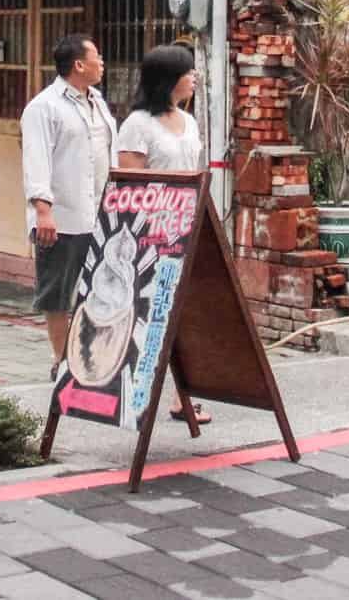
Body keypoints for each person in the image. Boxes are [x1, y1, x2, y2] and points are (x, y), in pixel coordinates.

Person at [115, 41, 212, 425]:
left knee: (186, 314)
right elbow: (130, 185)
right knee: (151, 313)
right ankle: (133, 391)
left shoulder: (189, 120)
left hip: (187, 228)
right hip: (151, 235)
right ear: (169, 80)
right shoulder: (137, 125)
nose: (193, 78)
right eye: (188, 72)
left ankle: (181, 397)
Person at [20, 33, 118, 375]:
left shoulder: (98, 102)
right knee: (58, 292)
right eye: (97, 58)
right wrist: (43, 211)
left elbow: (110, 154)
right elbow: (37, 161)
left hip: (100, 214)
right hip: (62, 217)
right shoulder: (44, 107)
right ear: (79, 65)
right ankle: (61, 361)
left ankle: (90, 357)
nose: (102, 63)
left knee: (98, 291)